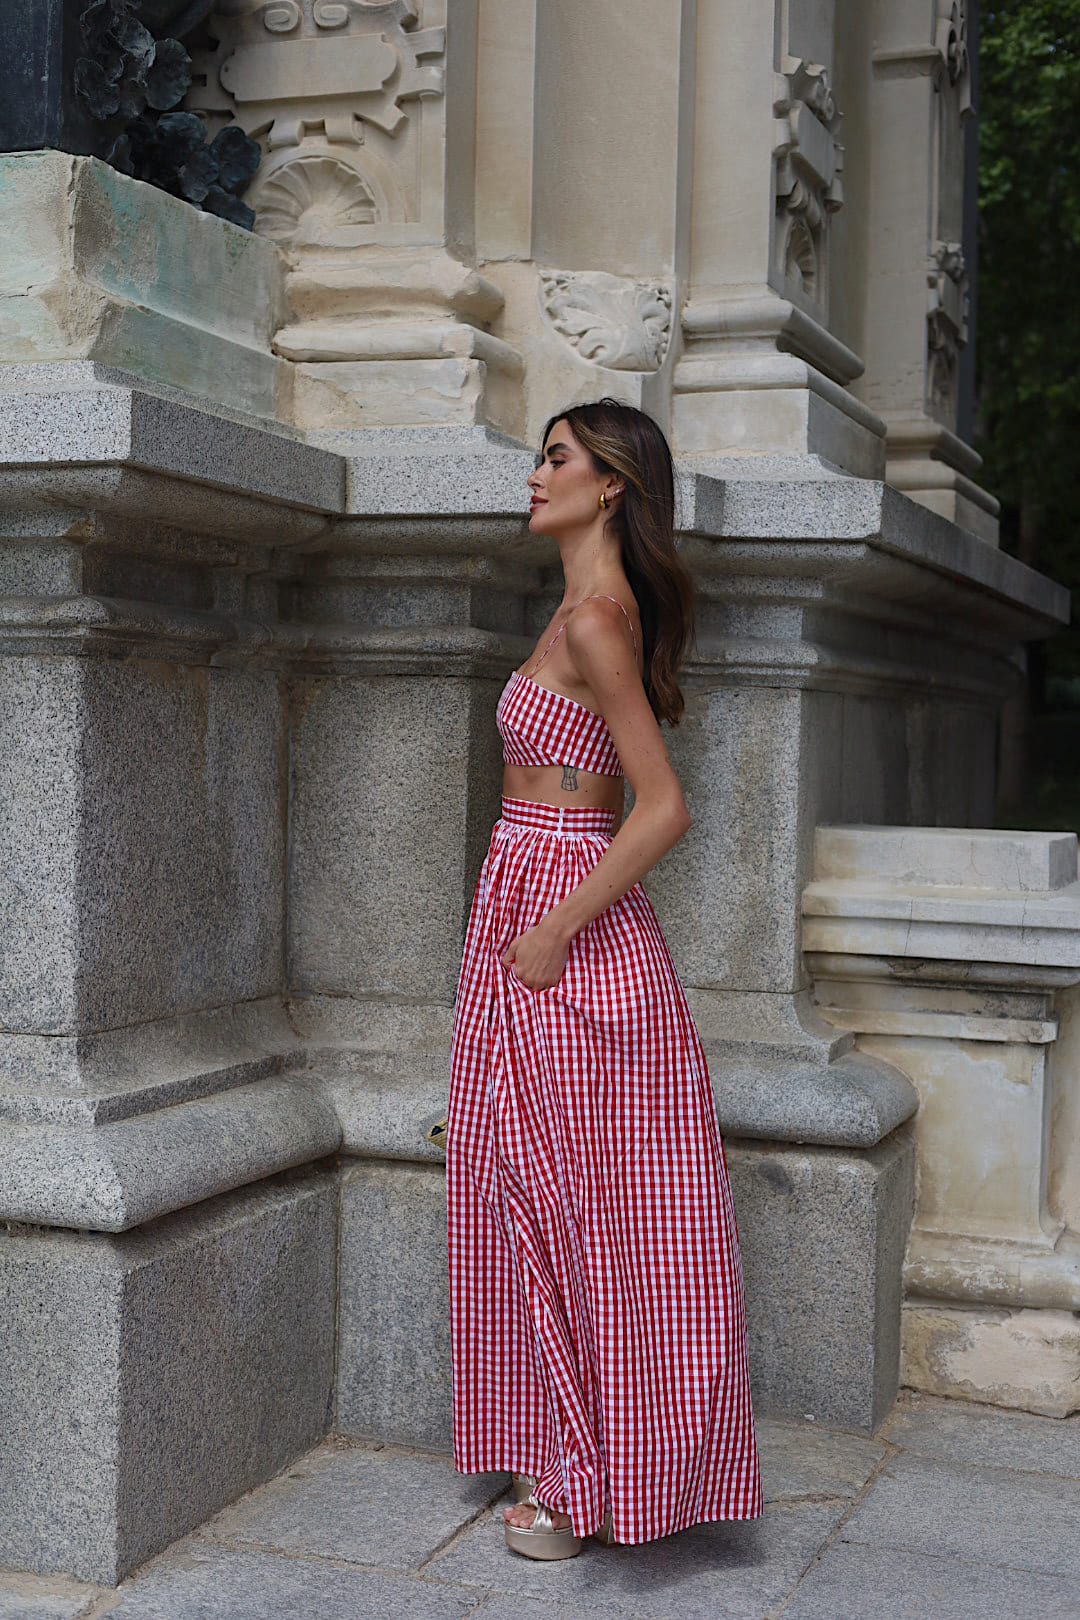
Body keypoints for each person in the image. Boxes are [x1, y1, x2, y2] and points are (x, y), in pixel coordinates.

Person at [446, 398, 762, 1561]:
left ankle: (584, 1485)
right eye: (541, 455)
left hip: (566, 930)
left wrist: (556, 931)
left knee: (583, 1199)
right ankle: (563, 1451)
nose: (535, 475)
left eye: (558, 458)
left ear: (613, 484)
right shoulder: (570, 612)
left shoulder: (595, 623)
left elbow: (663, 806)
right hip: (524, 907)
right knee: (527, 1185)